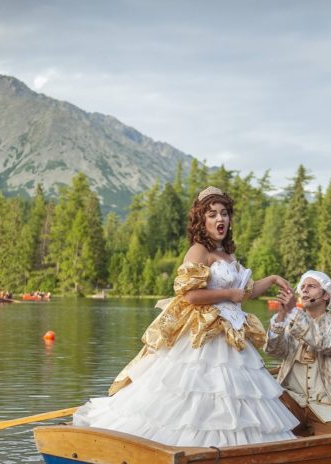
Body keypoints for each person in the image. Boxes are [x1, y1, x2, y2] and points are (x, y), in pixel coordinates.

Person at [73, 186, 299, 447]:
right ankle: (179, 447)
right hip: (204, 335)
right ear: (202, 220)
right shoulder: (198, 251)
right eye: (212, 214)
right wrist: (228, 293)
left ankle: (232, 447)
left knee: (229, 395)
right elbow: (190, 295)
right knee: (192, 393)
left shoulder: (228, 254)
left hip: (231, 334)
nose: (220, 219)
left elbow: (244, 292)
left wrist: (272, 279)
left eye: (224, 213)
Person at [266, 270, 331, 435]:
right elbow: (273, 351)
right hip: (291, 400)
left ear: (326, 295)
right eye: (303, 287)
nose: (305, 289)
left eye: (312, 286)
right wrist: (281, 318)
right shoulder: (290, 324)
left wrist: (294, 312)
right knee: (265, 418)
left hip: (327, 407)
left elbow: (326, 343)